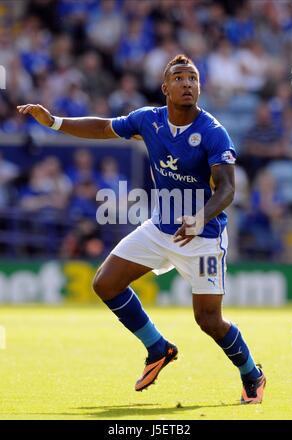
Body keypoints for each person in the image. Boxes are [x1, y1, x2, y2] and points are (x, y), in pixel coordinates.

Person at [17, 54, 266, 404]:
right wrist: (54, 121)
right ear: (165, 87)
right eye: (179, 78)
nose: (187, 84)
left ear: (199, 87)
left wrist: (200, 218)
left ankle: (252, 374)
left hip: (203, 238)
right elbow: (103, 127)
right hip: (160, 228)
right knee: (105, 283)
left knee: (209, 320)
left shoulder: (212, 132)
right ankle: (157, 347)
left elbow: (227, 189)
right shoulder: (148, 120)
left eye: (193, 78)